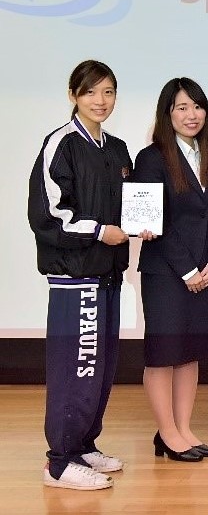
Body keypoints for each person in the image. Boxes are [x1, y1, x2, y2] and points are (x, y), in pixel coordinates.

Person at [28, 60, 152, 490]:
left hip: (108, 274)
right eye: (90, 92)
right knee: (76, 366)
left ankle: (82, 445)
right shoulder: (61, 144)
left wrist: (141, 224)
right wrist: (100, 231)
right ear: (73, 95)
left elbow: (131, 206)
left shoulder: (116, 148)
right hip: (75, 277)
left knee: (100, 366)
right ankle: (59, 463)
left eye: (108, 92)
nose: (101, 101)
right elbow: (49, 214)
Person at [132, 77, 208, 463]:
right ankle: (167, 432)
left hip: (205, 273)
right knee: (163, 353)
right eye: (182, 107)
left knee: (190, 353)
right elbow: (156, 223)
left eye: (198, 106)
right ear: (167, 113)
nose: (192, 115)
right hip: (166, 273)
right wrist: (188, 270)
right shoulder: (151, 158)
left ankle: (184, 429)